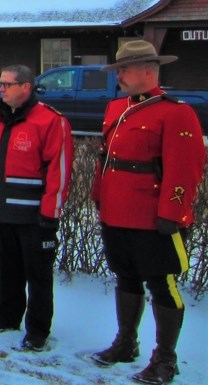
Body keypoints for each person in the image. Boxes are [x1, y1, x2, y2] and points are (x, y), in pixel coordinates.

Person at [89, 40, 205, 385]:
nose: (119, 75)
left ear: (148, 71)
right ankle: (126, 343)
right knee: (125, 275)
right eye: (118, 69)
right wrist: (99, 197)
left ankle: (165, 360)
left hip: (153, 215)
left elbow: (186, 168)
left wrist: (173, 211)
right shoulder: (116, 108)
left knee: (162, 283)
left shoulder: (176, 112)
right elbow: (105, 159)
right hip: (117, 210)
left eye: (124, 69)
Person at [0, 64, 74, 351]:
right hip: (2, 211)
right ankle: (5, 315)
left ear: (26, 87)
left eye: (7, 84)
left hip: (34, 215)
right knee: (7, 268)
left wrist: (50, 212)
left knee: (38, 275)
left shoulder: (50, 121)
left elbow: (60, 170)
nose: (1, 89)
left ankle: (38, 329)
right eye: (1, 84)